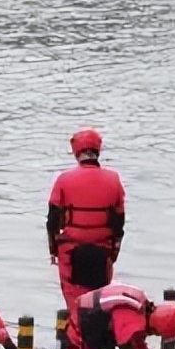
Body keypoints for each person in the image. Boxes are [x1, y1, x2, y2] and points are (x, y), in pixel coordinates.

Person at [47, 128, 127, 324]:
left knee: (76, 306)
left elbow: (52, 220)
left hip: (70, 250)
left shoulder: (63, 180)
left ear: (76, 152)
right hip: (103, 249)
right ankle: (104, 348)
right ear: (97, 151)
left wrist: (53, 250)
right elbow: (119, 222)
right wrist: (114, 250)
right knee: (99, 303)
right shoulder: (114, 180)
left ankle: (79, 344)